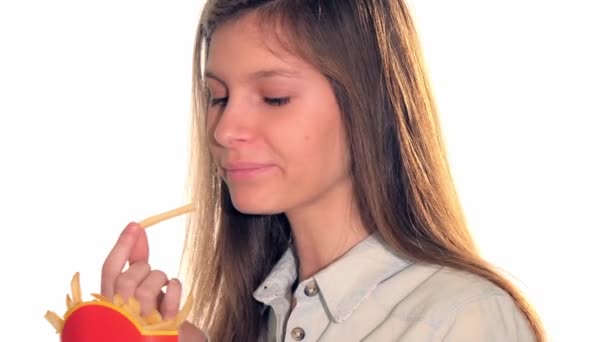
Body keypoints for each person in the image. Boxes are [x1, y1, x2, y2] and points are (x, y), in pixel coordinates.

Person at [101, 0, 546, 341]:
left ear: (369, 105)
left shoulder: (462, 318)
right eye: (218, 97)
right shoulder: (254, 321)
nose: (225, 130)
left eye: (274, 97)